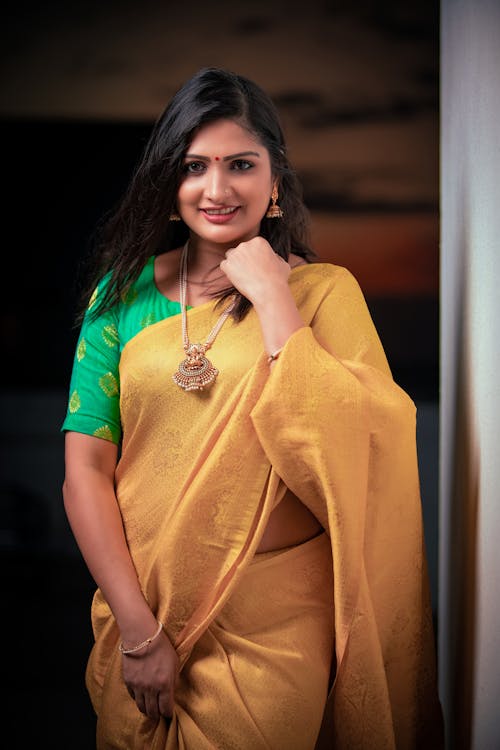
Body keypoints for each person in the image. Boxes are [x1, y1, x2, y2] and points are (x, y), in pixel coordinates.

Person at [62, 67, 444, 749]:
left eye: (240, 164)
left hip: (271, 635)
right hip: (139, 616)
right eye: (194, 166)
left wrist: (273, 296)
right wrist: (141, 631)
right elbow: (85, 472)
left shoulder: (322, 295)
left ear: (274, 183)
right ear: (168, 183)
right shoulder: (116, 301)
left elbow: (360, 445)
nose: (216, 189)